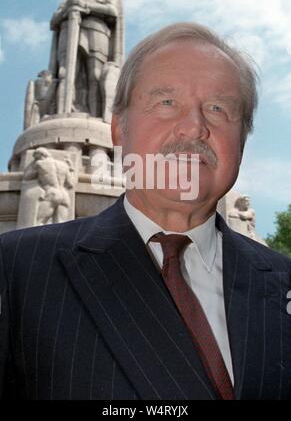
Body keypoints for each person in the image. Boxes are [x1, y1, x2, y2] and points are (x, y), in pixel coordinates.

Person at [1, 22, 291, 400]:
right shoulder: (17, 269)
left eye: (218, 108)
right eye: (166, 102)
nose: (194, 127)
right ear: (119, 130)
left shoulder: (283, 282)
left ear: (242, 140)